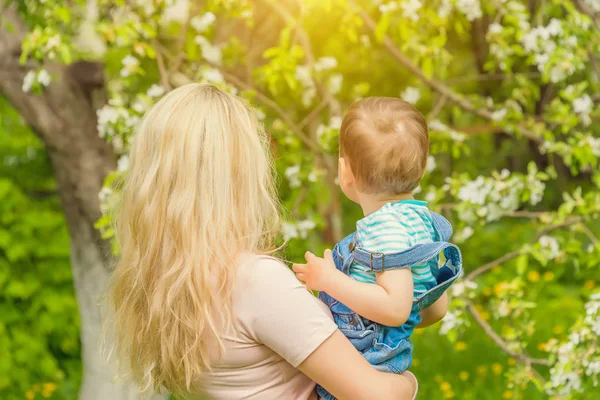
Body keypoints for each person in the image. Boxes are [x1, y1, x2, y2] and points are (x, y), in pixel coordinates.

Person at [106, 84, 418, 400]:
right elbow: (378, 396)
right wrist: (407, 382)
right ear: (240, 175)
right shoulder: (253, 282)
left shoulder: (165, 286)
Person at [293, 97, 462, 400]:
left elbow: (395, 309)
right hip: (381, 363)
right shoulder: (421, 222)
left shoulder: (385, 231)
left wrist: (329, 280)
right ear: (422, 168)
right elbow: (435, 307)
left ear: (345, 173)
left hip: (364, 365)